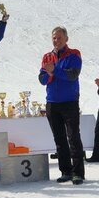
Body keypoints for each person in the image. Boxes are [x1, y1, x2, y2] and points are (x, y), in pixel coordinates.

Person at [38, 26, 85, 185]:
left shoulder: (74, 54)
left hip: (70, 101)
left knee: (73, 137)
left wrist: (54, 71)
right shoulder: (46, 57)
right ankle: (66, 171)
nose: (56, 40)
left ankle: (78, 173)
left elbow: (73, 75)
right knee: (59, 139)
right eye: (54, 38)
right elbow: (42, 80)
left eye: (59, 37)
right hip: (52, 102)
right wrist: (50, 73)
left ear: (66, 39)